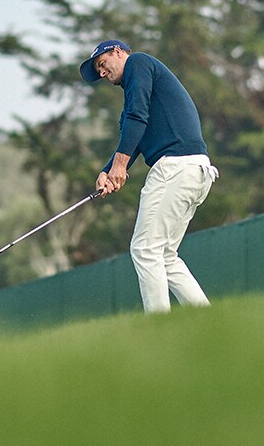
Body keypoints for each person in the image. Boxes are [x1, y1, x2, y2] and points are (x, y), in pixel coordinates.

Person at [80, 40, 218, 313]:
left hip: (175, 168)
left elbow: (137, 117)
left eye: (102, 65)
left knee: (145, 249)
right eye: (99, 71)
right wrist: (108, 171)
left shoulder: (138, 62)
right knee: (165, 256)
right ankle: (209, 321)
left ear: (118, 52)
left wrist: (119, 166)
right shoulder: (134, 97)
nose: (102, 73)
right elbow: (135, 137)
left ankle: (159, 328)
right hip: (196, 171)